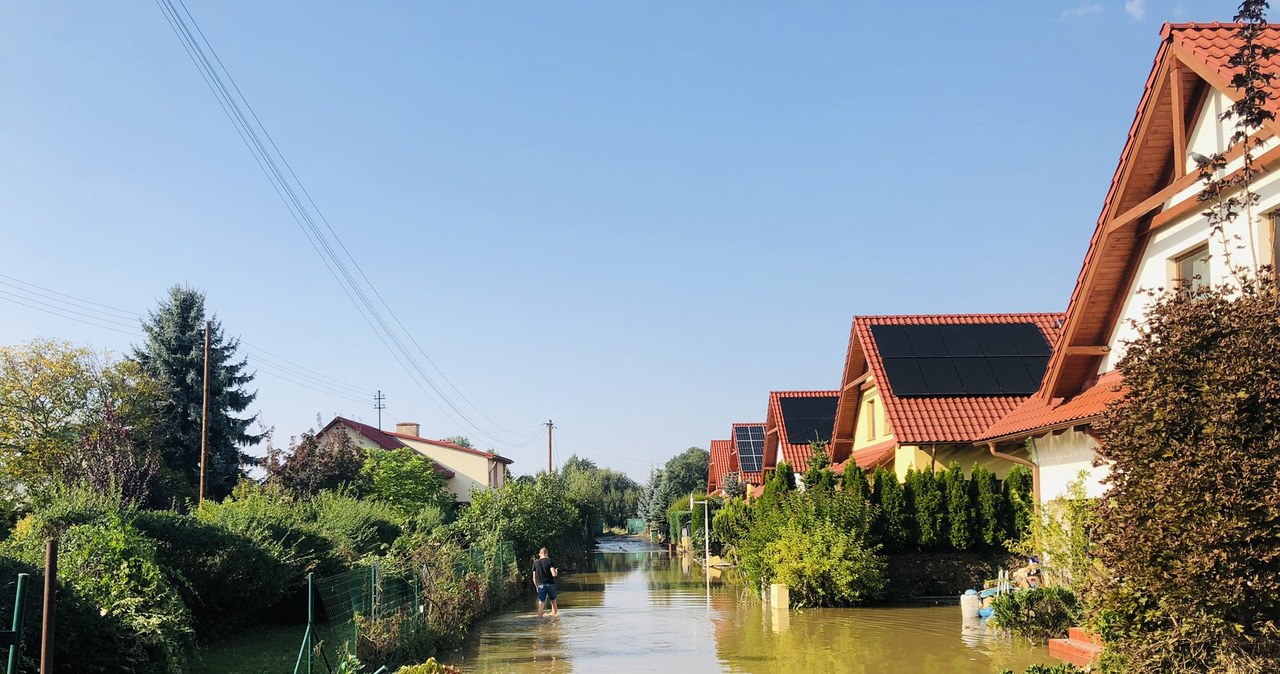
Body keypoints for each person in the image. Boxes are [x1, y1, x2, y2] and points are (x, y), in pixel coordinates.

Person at [532, 547, 559, 617]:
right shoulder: (549, 561)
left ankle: (540, 619)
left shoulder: (536, 563)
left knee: (541, 602)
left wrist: (536, 586)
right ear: (547, 553)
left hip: (540, 585)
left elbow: (534, 578)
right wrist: (556, 572)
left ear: (539, 554)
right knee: (553, 601)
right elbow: (553, 574)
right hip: (550, 584)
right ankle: (555, 618)